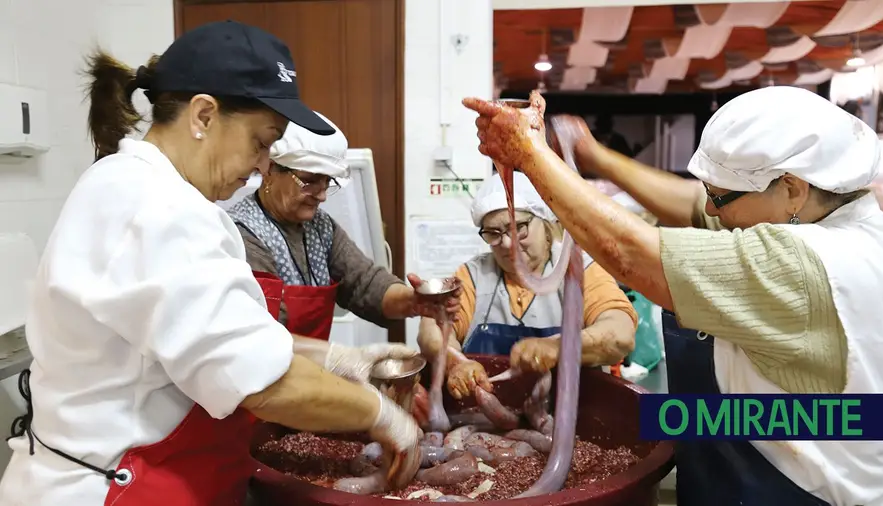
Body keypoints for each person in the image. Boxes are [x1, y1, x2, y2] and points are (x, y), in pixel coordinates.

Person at [0, 21, 422, 506]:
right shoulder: (158, 209)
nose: (263, 164)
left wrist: (340, 359)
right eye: (262, 142)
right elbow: (265, 385)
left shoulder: (132, 186)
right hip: (114, 486)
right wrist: (383, 416)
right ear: (203, 114)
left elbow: (228, 339)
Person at [463, 87, 883, 506]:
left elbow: (631, 253)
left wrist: (530, 155)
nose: (710, 209)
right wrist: (596, 158)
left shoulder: (806, 264)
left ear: (791, 188)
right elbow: (696, 204)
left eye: (721, 197)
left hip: (804, 491)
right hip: (781, 441)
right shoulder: (834, 221)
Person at [227, 117, 458, 424]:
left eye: (328, 182)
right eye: (310, 180)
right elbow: (267, 343)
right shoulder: (243, 235)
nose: (322, 195)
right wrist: (351, 375)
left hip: (309, 392)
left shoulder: (319, 227)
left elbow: (365, 282)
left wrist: (414, 301)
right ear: (269, 169)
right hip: (264, 399)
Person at [417, 171, 637, 400]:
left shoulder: (578, 270)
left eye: (518, 227)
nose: (507, 243)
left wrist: (559, 346)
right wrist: (455, 362)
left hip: (574, 415)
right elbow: (432, 327)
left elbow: (620, 333)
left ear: (544, 222)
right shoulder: (474, 275)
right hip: (487, 415)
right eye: (493, 233)